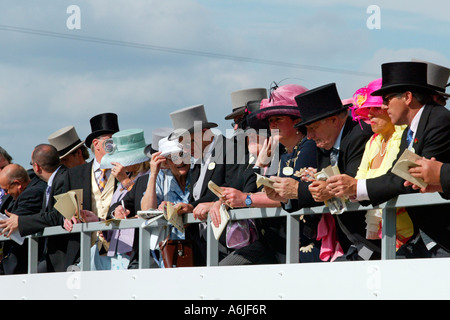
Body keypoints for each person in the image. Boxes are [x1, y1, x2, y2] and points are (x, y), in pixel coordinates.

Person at [328, 61, 450, 257]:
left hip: (441, 237)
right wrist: (354, 188)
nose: (383, 106)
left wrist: (356, 187)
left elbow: (407, 178)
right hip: (428, 236)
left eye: (387, 99)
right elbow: (397, 174)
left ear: (408, 97)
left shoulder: (438, 120)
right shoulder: (412, 128)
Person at [266, 82, 373, 261]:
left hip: (377, 241)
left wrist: (297, 190)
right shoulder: (325, 145)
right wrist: (285, 196)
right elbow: (319, 190)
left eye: (313, 128)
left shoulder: (358, 137)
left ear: (333, 120)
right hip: (353, 242)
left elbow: (348, 185)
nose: (309, 136)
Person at [342, 78, 413, 250]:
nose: (369, 114)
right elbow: (358, 182)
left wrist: (354, 188)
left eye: (375, 108)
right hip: (384, 233)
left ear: (389, 109)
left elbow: (396, 180)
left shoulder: (405, 136)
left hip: (412, 231)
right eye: (366, 110)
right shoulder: (372, 142)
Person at [79, 128, 150, 270]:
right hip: (118, 248)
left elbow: (140, 204)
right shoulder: (127, 176)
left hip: (136, 247)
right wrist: (99, 220)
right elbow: (116, 207)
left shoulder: (148, 175)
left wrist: (125, 181)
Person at [0, 144, 69, 272]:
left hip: (56, 257)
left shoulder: (61, 179)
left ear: (36, 166)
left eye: (6, 190)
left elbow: (57, 215)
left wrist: (20, 221)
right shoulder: (52, 181)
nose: (6, 194)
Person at [63, 112, 120, 268]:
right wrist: (66, 217)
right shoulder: (74, 174)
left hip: (118, 250)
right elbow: (60, 209)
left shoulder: (125, 172)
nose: (116, 145)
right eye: (111, 141)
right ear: (96, 144)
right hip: (83, 250)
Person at [139, 136, 191, 267]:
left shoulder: (198, 172)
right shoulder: (162, 176)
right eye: (173, 157)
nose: (180, 160)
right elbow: (146, 209)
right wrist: (153, 174)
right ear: (166, 163)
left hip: (198, 244)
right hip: (171, 249)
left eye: (182, 154)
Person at [0, 164, 46, 274]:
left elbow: (10, 224)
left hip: (24, 262)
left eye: (6, 190)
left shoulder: (32, 193)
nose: (6, 194)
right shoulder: (26, 190)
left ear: (17, 184)